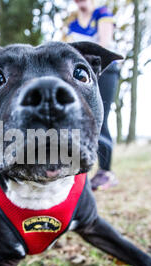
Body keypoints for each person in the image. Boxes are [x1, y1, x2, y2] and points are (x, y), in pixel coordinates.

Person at [63, 0, 120, 191]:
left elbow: (105, 45)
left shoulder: (102, 13)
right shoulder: (72, 21)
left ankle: (105, 172)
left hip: (103, 72)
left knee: (98, 119)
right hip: (77, 74)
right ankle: (77, 170)